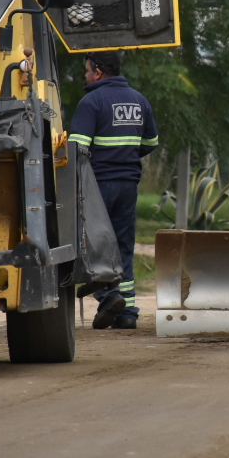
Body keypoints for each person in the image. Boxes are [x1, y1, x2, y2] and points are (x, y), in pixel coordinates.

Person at [68, 51, 158, 330]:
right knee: (122, 245)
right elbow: (151, 142)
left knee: (94, 244)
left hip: (98, 185)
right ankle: (127, 312)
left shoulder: (92, 101)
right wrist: (126, 156)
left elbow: (77, 148)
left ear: (98, 70)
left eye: (87, 70)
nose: (85, 75)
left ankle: (108, 296)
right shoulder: (139, 100)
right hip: (128, 184)